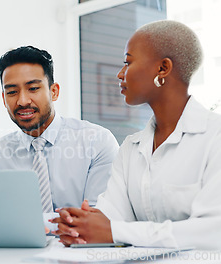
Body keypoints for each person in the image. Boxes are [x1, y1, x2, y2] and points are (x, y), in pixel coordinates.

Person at [54, 20, 221, 250]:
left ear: (163, 68)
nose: (120, 74)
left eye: (128, 62)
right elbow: (110, 218)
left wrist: (114, 231)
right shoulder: (131, 147)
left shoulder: (215, 137)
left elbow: (211, 232)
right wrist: (77, 226)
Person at [0, 46, 119, 213]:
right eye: (12, 92)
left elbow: (98, 220)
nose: (23, 101)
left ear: (54, 92)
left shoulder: (97, 142)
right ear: (4, 98)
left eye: (33, 88)